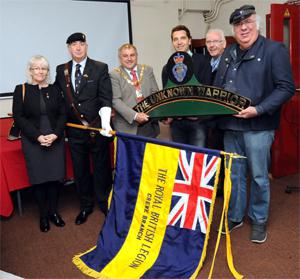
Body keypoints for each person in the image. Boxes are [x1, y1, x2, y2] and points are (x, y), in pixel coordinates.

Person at [214, 5, 295, 243]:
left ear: (256, 24)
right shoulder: (228, 52)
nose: (244, 27)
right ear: (234, 29)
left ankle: (259, 220)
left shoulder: (274, 50)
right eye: (239, 25)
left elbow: (286, 87)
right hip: (231, 126)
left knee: (259, 176)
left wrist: (258, 109)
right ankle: (236, 216)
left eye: (248, 22)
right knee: (235, 175)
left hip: (259, 126)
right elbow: (219, 88)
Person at [55, 32, 113, 224]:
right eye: (73, 44)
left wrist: (105, 123)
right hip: (74, 130)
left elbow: (105, 97)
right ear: (69, 48)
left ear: (86, 46)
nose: (78, 47)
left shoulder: (100, 68)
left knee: (101, 168)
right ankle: (86, 205)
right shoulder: (61, 70)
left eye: (81, 44)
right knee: (80, 170)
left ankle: (104, 203)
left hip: (97, 128)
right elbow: (58, 99)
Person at [13, 55, 66, 232]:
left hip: (55, 140)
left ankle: (53, 212)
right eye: (36, 68)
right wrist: (37, 136)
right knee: (39, 179)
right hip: (32, 141)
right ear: (30, 70)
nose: (40, 71)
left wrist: (55, 135)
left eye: (43, 68)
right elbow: (19, 117)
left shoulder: (55, 89)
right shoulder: (21, 89)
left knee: (54, 177)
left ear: (47, 71)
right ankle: (43, 215)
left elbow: (62, 115)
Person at [161, 25, 212, 146]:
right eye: (175, 39)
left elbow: (207, 90)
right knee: (181, 160)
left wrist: (197, 113)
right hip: (177, 123)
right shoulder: (167, 67)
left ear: (189, 40)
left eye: (182, 38)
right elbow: (167, 95)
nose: (179, 42)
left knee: (198, 159)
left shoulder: (202, 61)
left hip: (198, 122)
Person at [110, 43, 160, 137]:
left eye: (132, 55)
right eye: (125, 56)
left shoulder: (147, 70)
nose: (129, 59)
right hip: (127, 127)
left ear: (137, 56)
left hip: (149, 123)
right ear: (120, 58)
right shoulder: (114, 75)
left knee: (149, 152)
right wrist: (135, 116)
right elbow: (116, 100)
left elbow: (155, 93)